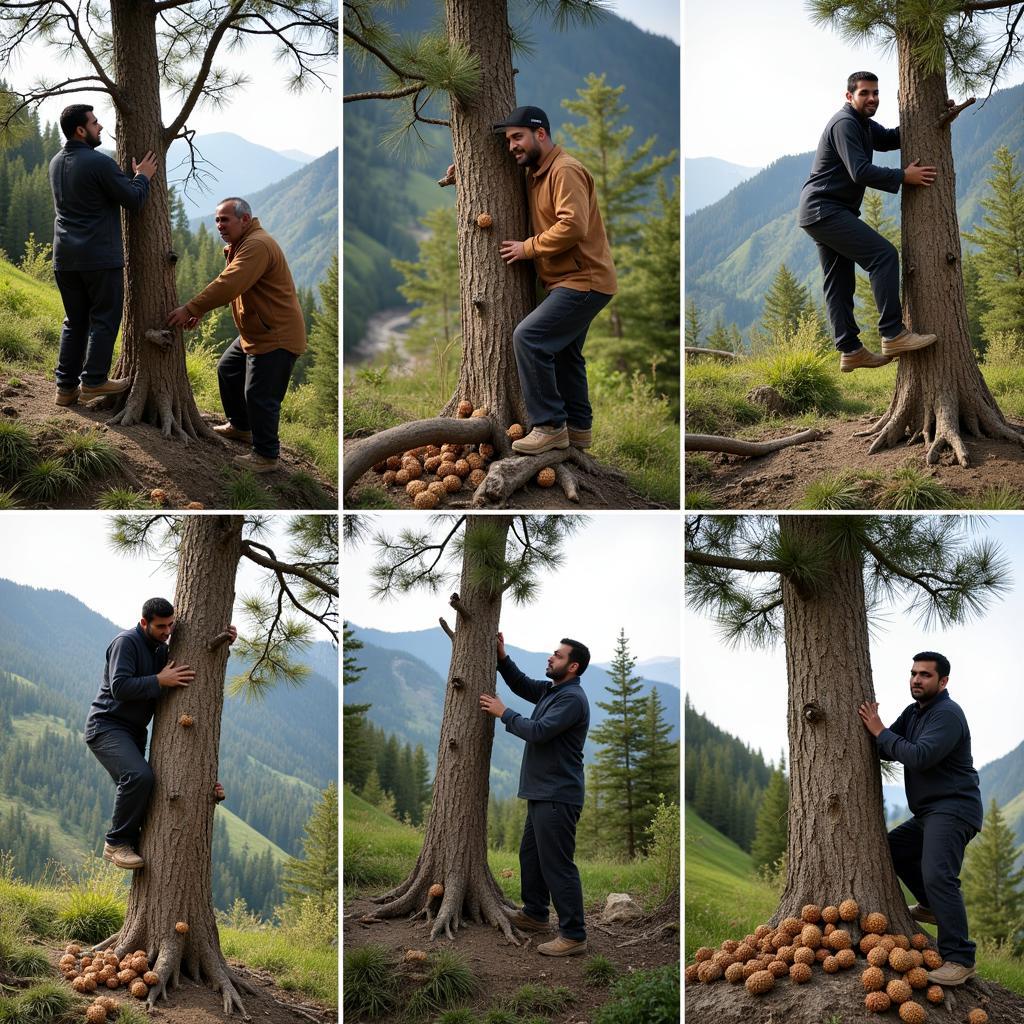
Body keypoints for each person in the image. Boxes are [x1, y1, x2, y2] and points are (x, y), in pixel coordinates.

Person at [485, 105, 616, 455]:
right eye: (509, 140)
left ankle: (549, 427)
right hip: (572, 280)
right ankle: (579, 429)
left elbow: (573, 225)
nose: (511, 146)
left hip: (583, 280)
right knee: (566, 353)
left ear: (540, 134)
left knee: (529, 338)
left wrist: (529, 248)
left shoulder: (565, 170)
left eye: (518, 138)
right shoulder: (537, 169)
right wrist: (462, 176)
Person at [798, 72, 940, 372]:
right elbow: (859, 171)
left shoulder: (862, 123)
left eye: (875, 93)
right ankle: (893, 333)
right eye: (864, 93)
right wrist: (903, 176)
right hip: (825, 209)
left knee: (838, 282)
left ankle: (850, 350)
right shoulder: (845, 123)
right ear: (849, 96)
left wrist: (933, 116)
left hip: (822, 212)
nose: (872, 98)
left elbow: (889, 138)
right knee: (883, 256)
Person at [858, 651, 983, 986]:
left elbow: (920, 756)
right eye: (913, 673)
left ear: (943, 681)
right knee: (890, 849)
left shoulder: (948, 715)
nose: (916, 679)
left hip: (954, 807)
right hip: (930, 811)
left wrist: (881, 730)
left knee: (939, 875)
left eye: (925, 675)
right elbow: (885, 745)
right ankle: (928, 905)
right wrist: (876, 731)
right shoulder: (914, 714)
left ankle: (960, 958)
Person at [85, 598, 234, 869]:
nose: (168, 632)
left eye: (171, 625)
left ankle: (135, 842)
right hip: (107, 726)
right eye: (161, 626)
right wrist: (158, 680)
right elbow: (119, 686)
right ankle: (116, 843)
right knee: (137, 777)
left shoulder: (159, 649)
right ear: (144, 622)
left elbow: (200, 658)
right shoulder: (126, 642)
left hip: (134, 732)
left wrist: (225, 642)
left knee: (147, 786)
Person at [166, 198, 306, 474]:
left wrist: (192, 307)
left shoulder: (257, 245)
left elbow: (229, 284)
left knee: (260, 395)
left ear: (244, 219)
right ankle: (242, 427)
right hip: (256, 332)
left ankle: (266, 455)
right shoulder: (243, 243)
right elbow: (233, 283)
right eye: (217, 220)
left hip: (275, 335)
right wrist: (202, 311)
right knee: (228, 369)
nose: (219, 225)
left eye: (225, 219)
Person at [480, 632, 591, 956]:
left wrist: (505, 713)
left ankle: (573, 935)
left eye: (557, 656)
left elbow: (539, 732)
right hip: (544, 793)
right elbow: (523, 685)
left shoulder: (572, 700)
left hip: (558, 795)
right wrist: (502, 658)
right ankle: (536, 914)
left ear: (572, 666)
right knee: (531, 856)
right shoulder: (553, 690)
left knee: (557, 865)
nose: (550, 658)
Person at [49, 104, 158, 406]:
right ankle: (94, 380)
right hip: (98, 257)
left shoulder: (56, 162)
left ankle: (65, 388)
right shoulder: (99, 163)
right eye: (95, 123)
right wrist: (143, 176)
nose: (100, 127)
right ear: (81, 130)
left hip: (64, 258)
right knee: (105, 318)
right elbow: (134, 200)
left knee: (75, 321)